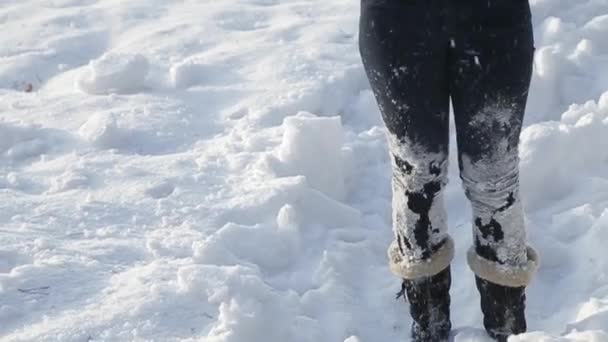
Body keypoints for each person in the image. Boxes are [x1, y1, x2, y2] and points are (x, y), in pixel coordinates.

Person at [358, 1, 540, 341]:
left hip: (495, 18)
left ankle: (508, 331)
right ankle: (428, 328)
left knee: (495, 181)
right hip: (397, 20)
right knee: (416, 177)